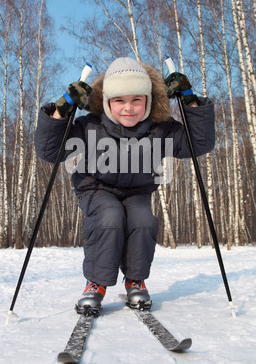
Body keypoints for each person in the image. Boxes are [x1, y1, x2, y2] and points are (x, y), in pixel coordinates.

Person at [34, 57, 215, 315]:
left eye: (136, 100)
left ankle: (135, 280)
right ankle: (95, 284)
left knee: (143, 220)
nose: (128, 108)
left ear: (148, 101)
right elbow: (49, 150)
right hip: (95, 189)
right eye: (119, 100)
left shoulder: (160, 128)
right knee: (110, 217)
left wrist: (190, 100)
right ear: (106, 102)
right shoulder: (89, 126)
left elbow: (200, 143)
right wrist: (61, 110)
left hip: (137, 192)